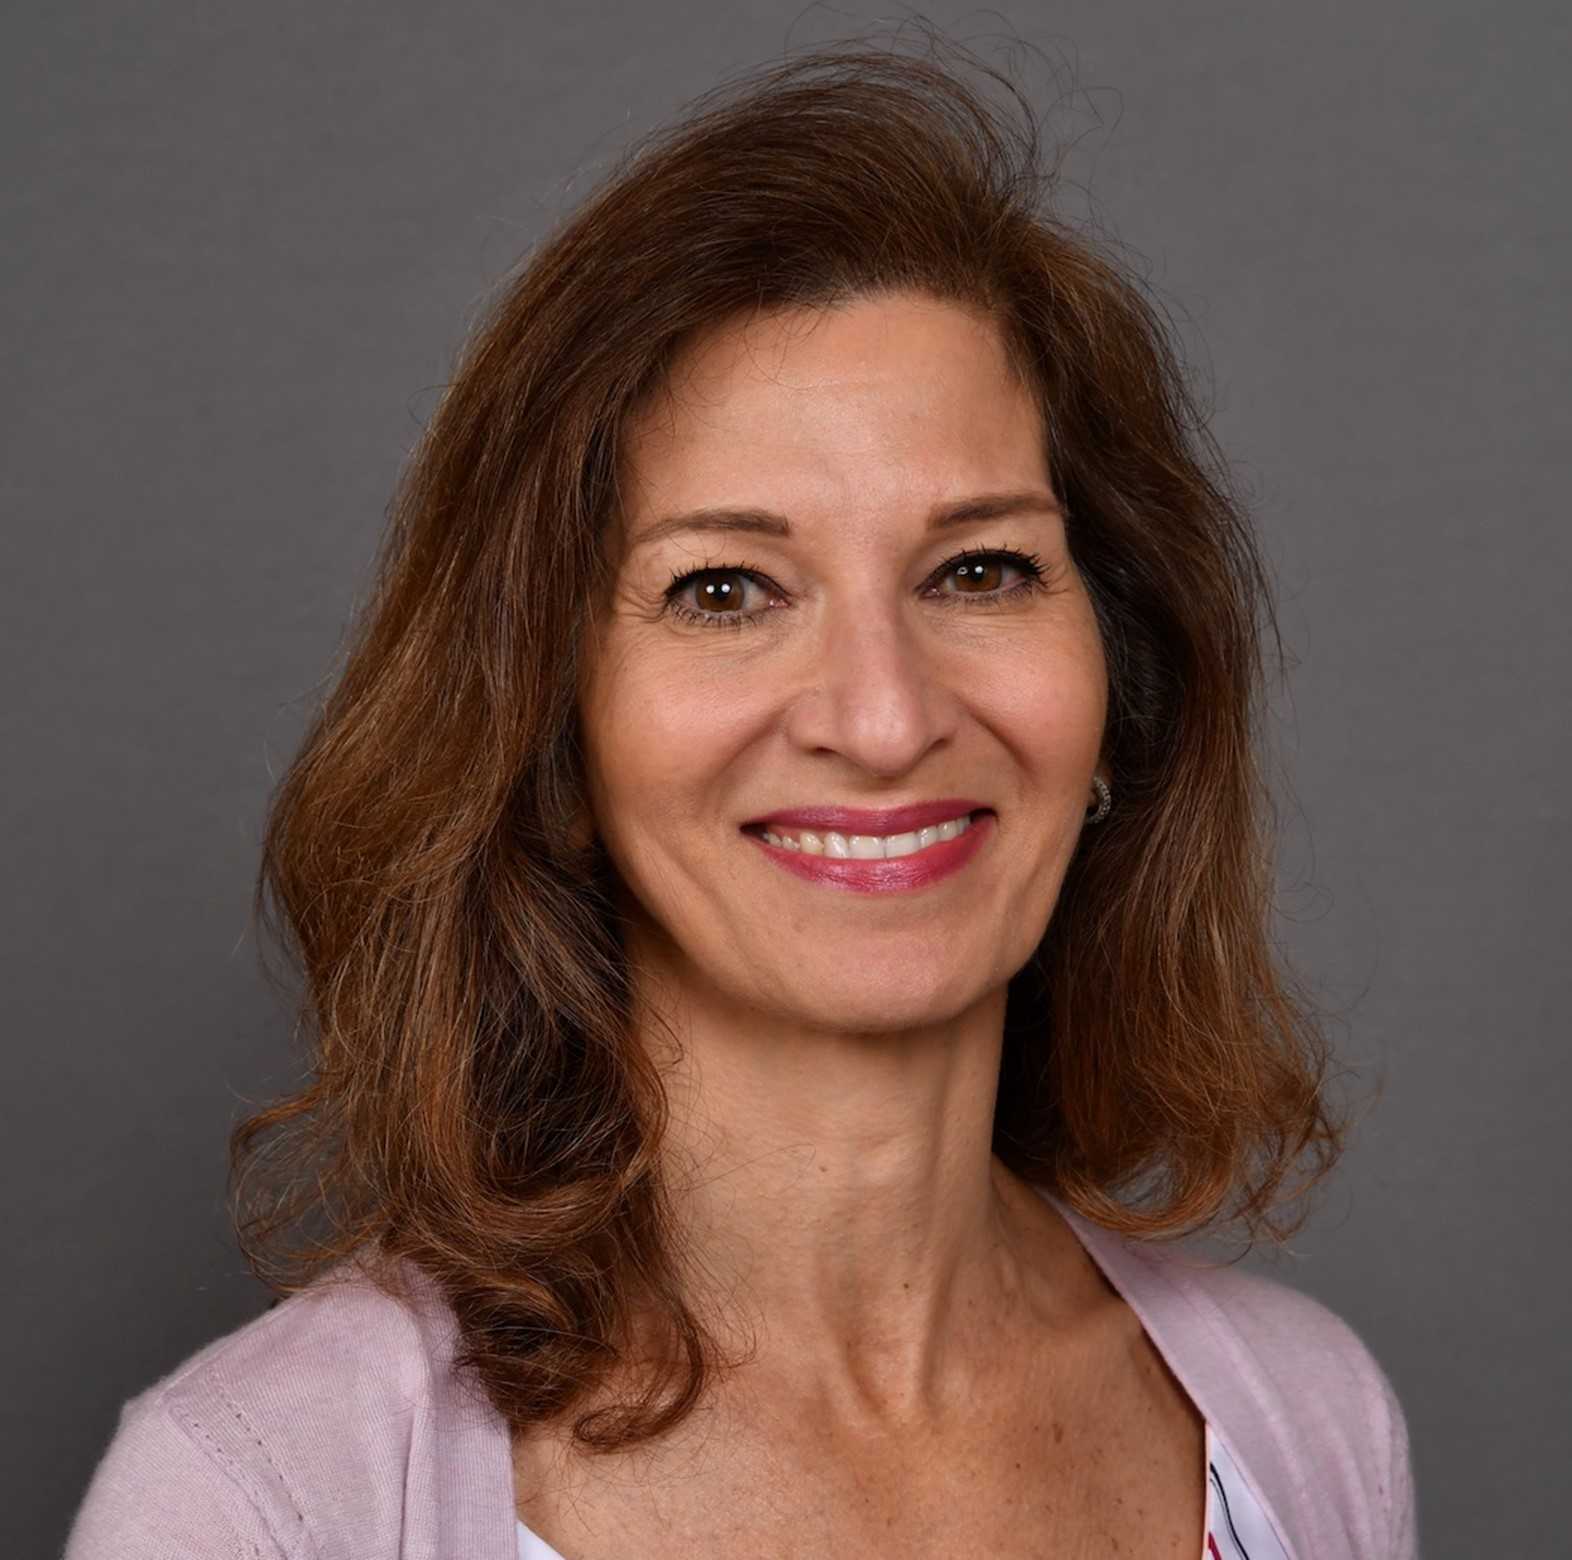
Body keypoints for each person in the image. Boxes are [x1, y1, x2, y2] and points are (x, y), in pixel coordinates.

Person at [65, 36, 1417, 1560]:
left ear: (1116, 681)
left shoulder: (1313, 1430)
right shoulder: (265, 1501)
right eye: (726, 589)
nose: (888, 717)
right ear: (552, 730)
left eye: (980, 570)